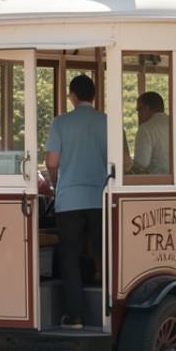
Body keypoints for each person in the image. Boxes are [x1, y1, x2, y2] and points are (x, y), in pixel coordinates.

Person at [45, 75, 108, 329]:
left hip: (69, 200)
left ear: (72, 96)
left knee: (70, 255)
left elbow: (52, 162)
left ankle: (76, 315)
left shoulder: (60, 123)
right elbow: (123, 161)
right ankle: (109, 311)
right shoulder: (108, 122)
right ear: (93, 96)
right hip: (102, 198)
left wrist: (55, 183)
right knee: (104, 252)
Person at [131, 91, 176, 175]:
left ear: (146, 108)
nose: (138, 114)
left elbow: (142, 163)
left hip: (157, 183)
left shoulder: (146, 129)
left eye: (139, 110)